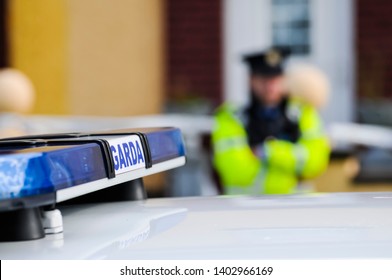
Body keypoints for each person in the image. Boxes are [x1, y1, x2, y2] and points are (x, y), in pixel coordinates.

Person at [212, 47, 330, 194]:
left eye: (275, 79)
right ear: (251, 80)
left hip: (298, 209)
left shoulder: (303, 114)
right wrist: (291, 159)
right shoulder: (231, 117)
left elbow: (316, 162)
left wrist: (266, 151)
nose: (270, 86)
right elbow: (236, 171)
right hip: (246, 210)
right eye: (263, 79)